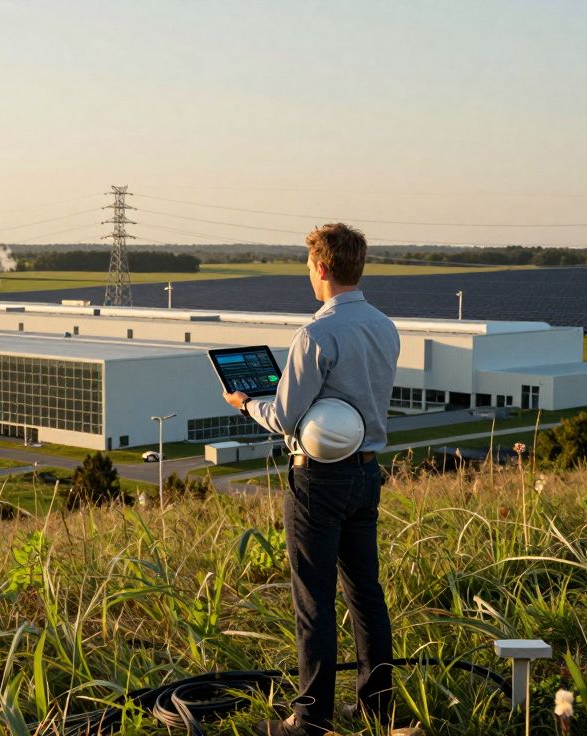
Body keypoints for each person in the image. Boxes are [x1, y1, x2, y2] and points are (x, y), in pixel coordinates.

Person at [224, 223, 401, 736]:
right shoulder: (384, 326)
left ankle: (310, 721)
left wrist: (245, 402)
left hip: (319, 482)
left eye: (309, 266)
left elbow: (283, 418)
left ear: (321, 268)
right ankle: (376, 707)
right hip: (367, 475)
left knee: (314, 602)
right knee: (366, 594)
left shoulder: (316, 334)